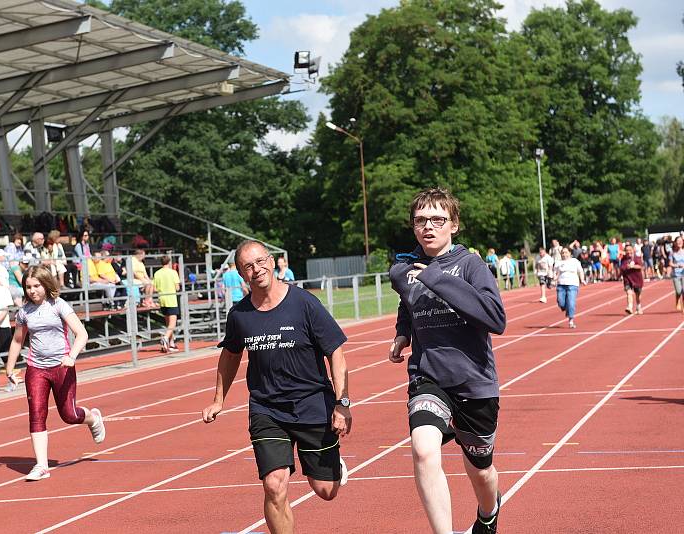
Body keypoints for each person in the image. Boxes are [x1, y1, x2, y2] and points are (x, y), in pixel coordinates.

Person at [202, 240, 351, 534]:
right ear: (241, 273)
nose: (256, 269)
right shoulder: (240, 315)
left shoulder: (304, 303)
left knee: (326, 490)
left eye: (260, 261)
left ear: (271, 262)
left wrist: (342, 403)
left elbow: (336, 352)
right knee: (274, 484)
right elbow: (230, 354)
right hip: (266, 408)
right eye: (248, 266)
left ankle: (332, 465)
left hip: (312, 405)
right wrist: (219, 399)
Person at [388, 188, 505, 534]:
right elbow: (407, 302)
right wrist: (402, 332)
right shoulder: (402, 270)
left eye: (438, 219)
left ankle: (489, 511)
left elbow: (495, 320)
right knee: (424, 451)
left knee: (480, 469)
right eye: (421, 220)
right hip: (428, 377)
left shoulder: (471, 265)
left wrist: (436, 278)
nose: (429, 227)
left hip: (474, 380)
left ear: (453, 225)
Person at [4, 265, 105, 481]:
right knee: (36, 414)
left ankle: (92, 418)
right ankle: (41, 465)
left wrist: (72, 356)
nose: (32, 291)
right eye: (28, 287)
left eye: (36, 286)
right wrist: (9, 368)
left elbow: (82, 334)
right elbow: (17, 340)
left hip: (62, 366)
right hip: (36, 368)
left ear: (46, 284)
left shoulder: (58, 305)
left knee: (69, 415)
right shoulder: (23, 312)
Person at [152, 256, 181, 352]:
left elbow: (155, 288)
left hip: (162, 299)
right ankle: (165, 338)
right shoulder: (173, 272)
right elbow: (177, 287)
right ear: (169, 262)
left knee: (168, 323)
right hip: (171, 298)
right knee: (172, 323)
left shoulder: (157, 273)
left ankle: (171, 343)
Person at [553, 247, 586, 328]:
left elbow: (580, 271)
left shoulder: (575, 261)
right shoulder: (558, 262)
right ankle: (566, 309)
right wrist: (554, 278)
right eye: (563, 253)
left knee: (571, 302)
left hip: (572, 284)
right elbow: (555, 272)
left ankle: (571, 320)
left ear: (570, 253)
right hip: (561, 284)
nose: (564, 254)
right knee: (561, 302)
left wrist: (582, 279)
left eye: (566, 252)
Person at [619, 244, 644, 315]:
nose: (628, 252)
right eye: (626, 250)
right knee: (629, 293)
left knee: (638, 295)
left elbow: (640, 266)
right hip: (627, 279)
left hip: (637, 279)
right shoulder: (623, 259)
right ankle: (629, 307)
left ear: (633, 250)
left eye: (630, 250)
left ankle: (638, 306)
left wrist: (633, 266)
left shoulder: (637, 258)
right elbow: (622, 268)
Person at [669, 236, 684, 313]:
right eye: (677, 241)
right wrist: (677, 265)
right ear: (675, 243)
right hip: (676, 275)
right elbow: (670, 263)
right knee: (678, 291)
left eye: (681, 241)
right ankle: (677, 299)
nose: (679, 242)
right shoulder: (672, 253)